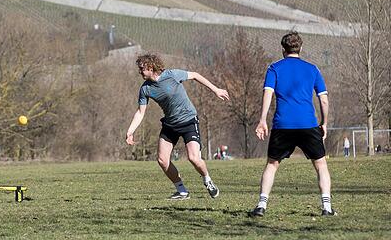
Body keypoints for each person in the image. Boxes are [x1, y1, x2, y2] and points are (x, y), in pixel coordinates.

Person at [250, 32, 334, 217]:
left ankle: (261, 205)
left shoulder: (274, 68)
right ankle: (326, 207)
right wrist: (324, 123)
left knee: (272, 165)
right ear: (301, 48)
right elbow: (324, 100)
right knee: (320, 165)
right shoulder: (313, 69)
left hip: (283, 125)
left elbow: (267, 94)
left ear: (283, 49)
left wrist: (262, 120)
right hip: (308, 124)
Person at [125, 53, 230, 200]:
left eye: (142, 68)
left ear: (150, 67)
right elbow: (140, 112)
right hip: (170, 125)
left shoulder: (172, 75)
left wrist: (216, 90)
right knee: (162, 160)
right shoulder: (145, 89)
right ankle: (182, 191)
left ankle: (207, 180)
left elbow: (195, 75)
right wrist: (130, 131)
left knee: (193, 158)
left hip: (188, 121)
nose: (140, 72)